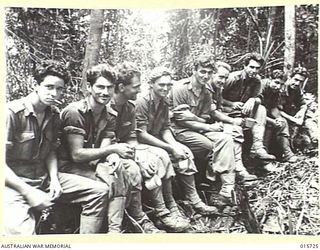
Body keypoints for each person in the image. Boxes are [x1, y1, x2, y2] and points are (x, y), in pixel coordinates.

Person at [5, 61, 109, 235]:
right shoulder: (11, 113)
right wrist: (28, 192)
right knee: (21, 236)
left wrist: (54, 179)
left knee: (99, 191)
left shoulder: (53, 114)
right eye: (49, 87)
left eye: (59, 89)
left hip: (43, 177)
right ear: (35, 85)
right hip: (13, 184)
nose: (54, 93)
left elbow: (50, 150)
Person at [58, 63, 151, 233]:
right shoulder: (75, 112)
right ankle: (114, 229)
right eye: (100, 86)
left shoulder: (110, 114)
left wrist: (112, 156)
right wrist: (111, 151)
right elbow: (76, 155)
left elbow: (105, 147)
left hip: (90, 164)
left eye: (109, 88)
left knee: (119, 170)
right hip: (67, 168)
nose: (105, 92)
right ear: (89, 87)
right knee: (114, 178)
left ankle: (115, 230)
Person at [111, 62, 190, 233]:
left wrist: (140, 155)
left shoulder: (129, 106)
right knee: (136, 168)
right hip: (112, 152)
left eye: (169, 84)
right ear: (121, 87)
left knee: (156, 157)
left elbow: (132, 137)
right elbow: (111, 140)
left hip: (126, 147)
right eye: (135, 87)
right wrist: (137, 157)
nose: (138, 91)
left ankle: (167, 209)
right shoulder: (109, 106)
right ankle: (148, 217)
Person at [134, 65, 220, 222]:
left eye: (168, 84)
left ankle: (194, 200)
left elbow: (166, 128)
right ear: (151, 84)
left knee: (184, 152)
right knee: (162, 158)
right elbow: (142, 134)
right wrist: (169, 148)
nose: (166, 88)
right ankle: (167, 207)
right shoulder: (142, 101)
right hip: (140, 143)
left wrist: (175, 145)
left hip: (157, 141)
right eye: (161, 84)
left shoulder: (165, 101)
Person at [169, 55, 237, 206]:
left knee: (226, 139)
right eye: (202, 71)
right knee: (209, 146)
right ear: (194, 71)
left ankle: (227, 188)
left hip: (198, 129)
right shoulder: (180, 88)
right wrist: (205, 125)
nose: (205, 76)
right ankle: (210, 184)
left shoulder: (207, 92)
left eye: (209, 73)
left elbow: (204, 118)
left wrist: (196, 119)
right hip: (178, 131)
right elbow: (181, 120)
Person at [206, 61, 257, 182]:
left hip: (212, 121)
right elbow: (212, 112)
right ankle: (228, 171)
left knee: (236, 129)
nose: (223, 81)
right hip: (204, 124)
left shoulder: (218, 88)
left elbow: (219, 107)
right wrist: (233, 120)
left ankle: (238, 168)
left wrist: (233, 110)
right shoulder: (206, 88)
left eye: (225, 78)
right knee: (233, 129)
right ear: (212, 74)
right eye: (220, 77)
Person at [221, 52, 276, 161]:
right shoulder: (233, 78)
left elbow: (259, 97)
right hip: (226, 110)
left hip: (243, 111)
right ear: (245, 66)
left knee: (261, 109)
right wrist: (231, 103)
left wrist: (253, 99)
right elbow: (216, 97)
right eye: (251, 67)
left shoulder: (257, 80)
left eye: (257, 68)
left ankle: (258, 147)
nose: (254, 71)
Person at [260, 69, 298, 163]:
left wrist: (278, 119)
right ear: (270, 78)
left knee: (282, 122)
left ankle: (287, 153)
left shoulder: (275, 91)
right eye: (276, 82)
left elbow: (273, 107)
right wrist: (271, 121)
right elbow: (256, 110)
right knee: (268, 125)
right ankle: (264, 160)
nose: (278, 87)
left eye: (281, 84)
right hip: (256, 114)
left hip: (265, 114)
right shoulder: (261, 86)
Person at [278, 66, 318, 149]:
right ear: (290, 77)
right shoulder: (281, 88)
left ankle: (316, 137)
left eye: (300, 82)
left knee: (309, 116)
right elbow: (277, 110)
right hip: (279, 115)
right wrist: (295, 120)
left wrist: (302, 112)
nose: (297, 83)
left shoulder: (296, 89)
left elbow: (303, 103)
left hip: (291, 114)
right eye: (296, 80)